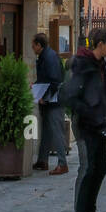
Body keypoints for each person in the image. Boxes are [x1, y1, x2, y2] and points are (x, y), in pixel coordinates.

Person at [64, 27, 106, 212]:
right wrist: (88, 112)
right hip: (85, 125)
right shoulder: (82, 64)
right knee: (87, 168)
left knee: (101, 168)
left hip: (101, 124)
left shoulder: (101, 65)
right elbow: (69, 96)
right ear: (100, 44)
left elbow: (104, 92)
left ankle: (91, 211)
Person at [31, 33, 68, 175]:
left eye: (33, 45)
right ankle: (42, 160)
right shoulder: (46, 56)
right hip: (49, 100)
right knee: (46, 130)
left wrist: (44, 98)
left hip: (54, 101)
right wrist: (35, 87)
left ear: (39, 45)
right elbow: (45, 79)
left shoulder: (49, 57)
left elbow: (54, 81)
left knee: (57, 131)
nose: (32, 47)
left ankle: (62, 164)